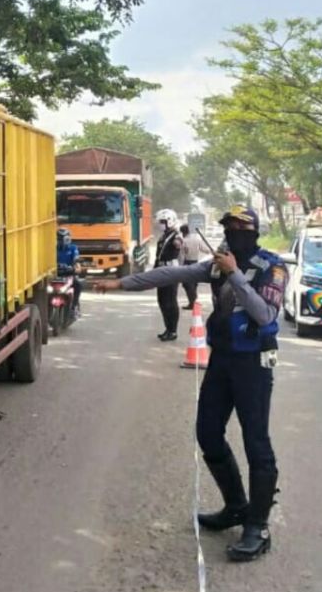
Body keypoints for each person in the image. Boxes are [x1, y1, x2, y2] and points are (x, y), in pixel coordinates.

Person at [97, 205, 287, 563]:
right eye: (228, 230)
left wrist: (236, 276)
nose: (232, 236)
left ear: (253, 233)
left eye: (239, 231)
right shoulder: (215, 266)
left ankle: (258, 527)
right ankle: (235, 506)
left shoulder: (271, 267)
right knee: (208, 433)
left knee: (256, 441)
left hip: (254, 364)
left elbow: (264, 314)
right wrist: (120, 283)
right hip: (222, 361)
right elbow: (167, 275)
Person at [152, 209, 184, 341]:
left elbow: (179, 244)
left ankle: (173, 331)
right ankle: (167, 328)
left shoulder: (176, 235)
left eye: (163, 222)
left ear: (170, 221)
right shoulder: (164, 235)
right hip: (161, 268)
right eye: (160, 222)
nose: (160, 224)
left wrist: (179, 242)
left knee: (170, 301)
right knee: (162, 301)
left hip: (171, 270)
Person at [179, 223, 208, 310]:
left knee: (187, 284)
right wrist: (211, 251)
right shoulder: (197, 238)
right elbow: (204, 249)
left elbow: (181, 256)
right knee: (194, 283)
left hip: (186, 263)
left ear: (183, 232)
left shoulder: (184, 241)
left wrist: (180, 267)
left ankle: (192, 303)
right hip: (195, 262)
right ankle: (194, 301)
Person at [56, 227, 83, 315]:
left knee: (78, 285)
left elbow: (76, 259)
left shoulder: (73, 248)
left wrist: (77, 267)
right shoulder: (53, 249)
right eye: (59, 238)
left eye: (63, 238)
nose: (61, 240)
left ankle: (74, 306)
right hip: (56, 275)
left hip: (69, 274)